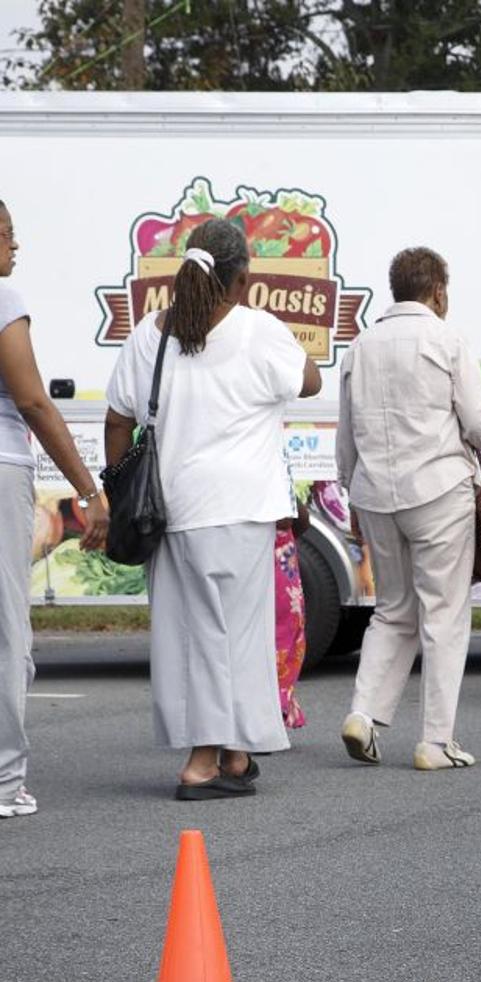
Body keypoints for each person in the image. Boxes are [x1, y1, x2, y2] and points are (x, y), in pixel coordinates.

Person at [105, 218, 321, 801]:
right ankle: (204, 761)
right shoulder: (259, 329)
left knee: (193, 636)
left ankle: (234, 753)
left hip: (173, 509)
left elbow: (118, 421)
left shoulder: (150, 334)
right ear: (243, 278)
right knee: (238, 637)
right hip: (243, 507)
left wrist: (114, 494)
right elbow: (310, 382)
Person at [336, 247, 481, 770]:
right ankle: (435, 741)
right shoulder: (446, 339)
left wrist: (351, 486)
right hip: (438, 490)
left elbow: (346, 435)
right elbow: (476, 422)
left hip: (375, 493)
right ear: (439, 291)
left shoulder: (361, 345)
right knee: (443, 615)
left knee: (393, 610)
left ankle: (363, 713)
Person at [0, 199, 110, 819]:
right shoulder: (4, 301)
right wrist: (89, 489)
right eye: (9, 235)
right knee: (7, 629)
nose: (16, 248)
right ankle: (4, 780)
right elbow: (35, 403)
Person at [275, 498, 309, 729]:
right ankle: (275, 707)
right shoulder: (269, 474)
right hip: (279, 564)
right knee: (283, 639)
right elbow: (297, 518)